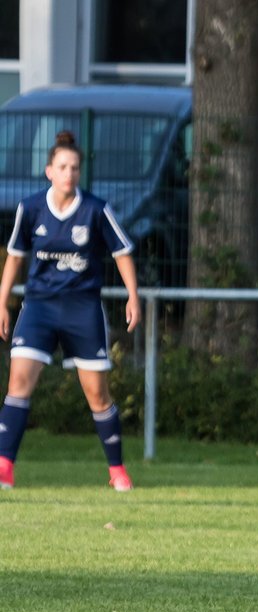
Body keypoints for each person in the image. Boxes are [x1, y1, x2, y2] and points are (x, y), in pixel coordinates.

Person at [0, 130, 140, 491]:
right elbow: (15, 257)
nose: (69, 173)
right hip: (40, 308)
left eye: (75, 167)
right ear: (49, 171)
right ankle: (4, 467)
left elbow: (122, 252)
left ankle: (117, 471)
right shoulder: (30, 208)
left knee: (97, 393)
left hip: (82, 309)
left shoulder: (95, 209)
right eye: (62, 167)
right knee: (18, 383)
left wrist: (133, 296)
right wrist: (2, 302)